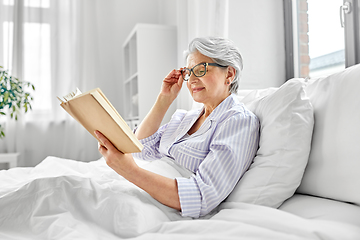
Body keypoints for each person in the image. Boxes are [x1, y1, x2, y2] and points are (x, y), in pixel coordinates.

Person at [95, 37, 260, 218]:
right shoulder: (186, 117)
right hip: (137, 190)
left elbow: (201, 197)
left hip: (160, 207)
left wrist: (130, 171)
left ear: (229, 74)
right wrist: (164, 99)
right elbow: (140, 149)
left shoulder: (238, 122)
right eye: (189, 72)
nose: (192, 80)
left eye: (201, 69)